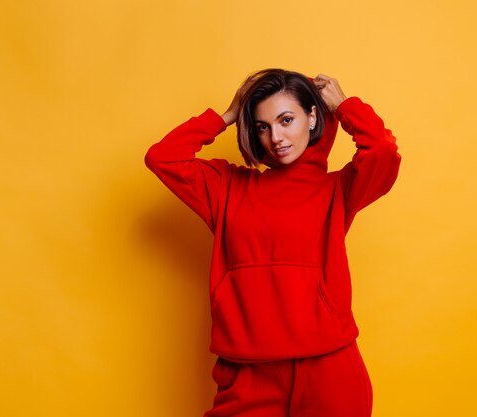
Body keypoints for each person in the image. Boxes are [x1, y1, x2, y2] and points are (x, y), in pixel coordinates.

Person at [145, 68, 401, 417]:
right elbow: (163, 157)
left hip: (328, 367)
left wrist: (344, 107)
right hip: (248, 371)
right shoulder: (227, 188)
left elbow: (382, 151)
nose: (275, 137)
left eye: (286, 120)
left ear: (312, 117)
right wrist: (229, 114)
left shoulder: (337, 190)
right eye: (263, 126)